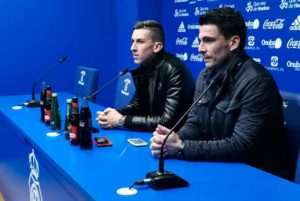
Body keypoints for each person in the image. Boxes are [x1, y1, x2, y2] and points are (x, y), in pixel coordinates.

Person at [150, 7, 292, 180]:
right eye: (200, 40)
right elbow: (195, 123)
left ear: (233, 43)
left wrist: (181, 147)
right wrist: (172, 139)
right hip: (221, 166)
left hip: (259, 176)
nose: (200, 48)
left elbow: (241, 145)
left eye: (208, 40)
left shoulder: (257, 82)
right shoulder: (205, 75)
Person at [96, 20, 195, 131]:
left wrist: (122, 120)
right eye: (133, 41)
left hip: (175, 139)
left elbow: (169, 121)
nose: (132, 47)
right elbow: (138, 104)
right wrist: (115, 114)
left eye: (140, 41)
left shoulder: (174, 70)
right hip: (155, 134)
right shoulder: (146, 66)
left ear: (157, 47)